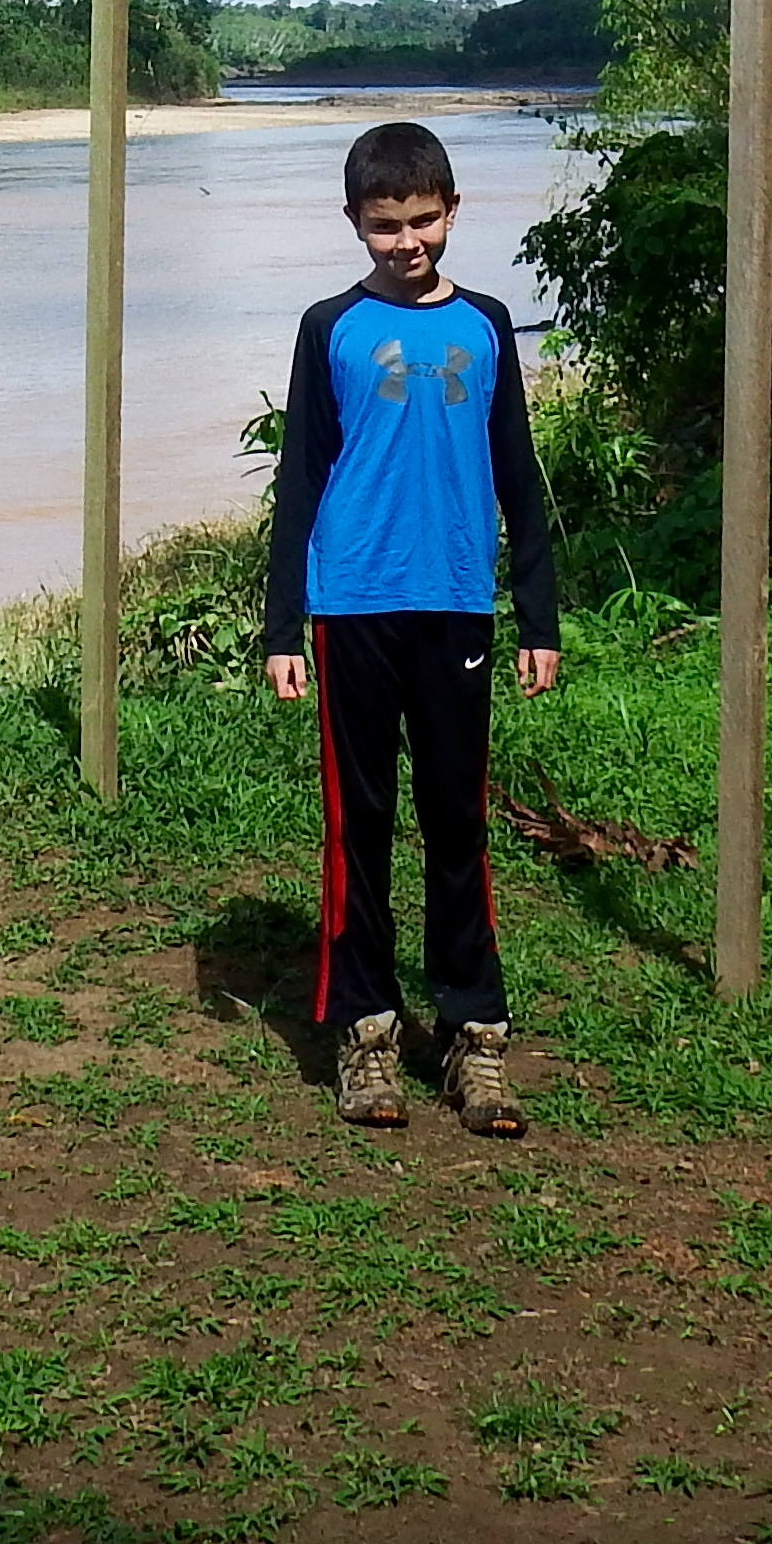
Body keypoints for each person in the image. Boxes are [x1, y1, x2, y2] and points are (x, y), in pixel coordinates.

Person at [259, 117, 559, 1135]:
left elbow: (518, 475)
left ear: (453, 211)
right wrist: (281, 627)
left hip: (457, 604)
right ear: (356, 222)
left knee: (457, 824)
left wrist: (539, 613)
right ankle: (367, 1032)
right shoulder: (327, 326)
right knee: (361, 827)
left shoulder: (484, 324)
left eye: (423, 220)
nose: (407, 241)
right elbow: (300, 479)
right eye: (386, 224)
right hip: (352, 605)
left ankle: (474, 1037)